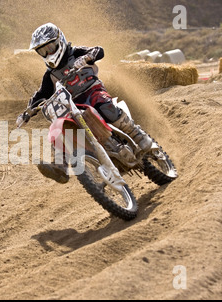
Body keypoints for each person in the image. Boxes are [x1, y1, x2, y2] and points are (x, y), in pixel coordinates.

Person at [17, 23, 152, 184]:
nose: (47, 53)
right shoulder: (50, 75)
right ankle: (60, 166)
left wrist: (86, 58)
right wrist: (27, 113)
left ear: (59, 41)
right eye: (42, 51)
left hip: (93, 92)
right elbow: (41, 95)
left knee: (104, 106)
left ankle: (138, 134)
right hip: (75, 106)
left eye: (50, 47)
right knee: (60, 127)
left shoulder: (74, 53)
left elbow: (98, 51)